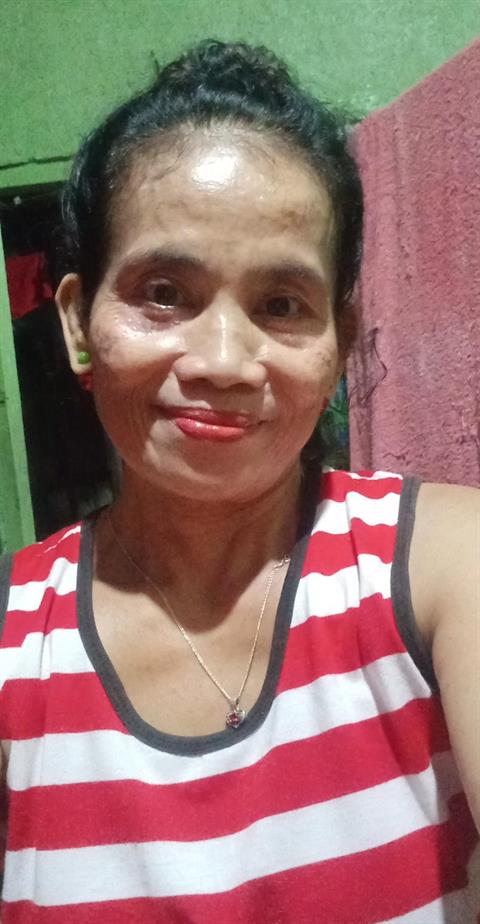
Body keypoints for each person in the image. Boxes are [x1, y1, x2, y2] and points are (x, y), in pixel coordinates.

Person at [0, 40, 478, 923]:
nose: (223, 361)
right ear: (77, 324)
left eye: (281, 305)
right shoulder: (11, 641)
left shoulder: (445, 565)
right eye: (164, 292)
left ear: (340, 339)